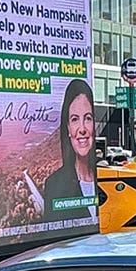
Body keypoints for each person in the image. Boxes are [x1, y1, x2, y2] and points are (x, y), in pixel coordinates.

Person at [44, 79, 98, 223]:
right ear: (68, 128)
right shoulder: (54, 184)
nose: (82, 129)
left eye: (88, 118)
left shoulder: (107, 177)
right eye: (75, 119)